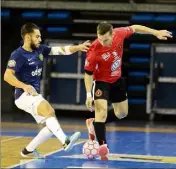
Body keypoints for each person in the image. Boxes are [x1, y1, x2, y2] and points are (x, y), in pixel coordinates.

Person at [84, 21, 172, 160]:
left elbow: (136, 27)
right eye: (100, 39)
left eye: (105, 39)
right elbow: (88, 74)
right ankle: (103, 147)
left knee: (122, 113)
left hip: (117, 80)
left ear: (112, 34)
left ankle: (93, 123)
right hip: (101, 82)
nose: (102, 42)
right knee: (101, 112)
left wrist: (156, 32)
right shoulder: (94, 50)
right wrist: (89, 95)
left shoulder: (119, 33)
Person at [4, 23, 91, 158]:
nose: (40, 39)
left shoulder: (40, 50)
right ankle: (65, 141)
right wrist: (24, 86)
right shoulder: (18, 55)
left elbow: (62, 50)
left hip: (33, 95)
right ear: (27, 37)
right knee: (49, 111)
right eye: (37, 37)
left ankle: (28, 151)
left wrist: (79, 47)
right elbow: (7, 76)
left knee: (50, 125)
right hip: (23, 95)